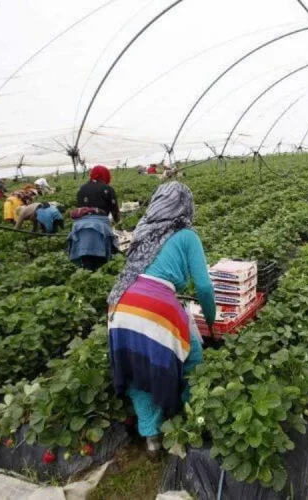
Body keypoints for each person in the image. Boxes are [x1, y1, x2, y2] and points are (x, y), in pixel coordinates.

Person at [107, 182, 215, 456]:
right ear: (186, 206)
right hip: (155, 304)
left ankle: (151, 437)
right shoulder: (186, 235)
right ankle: (193, 422)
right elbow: (203, 286)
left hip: (120, 304)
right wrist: (210, 323)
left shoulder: (144, 230)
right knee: (192, 358)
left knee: (136, 367)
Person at [67, 165, 120, 270]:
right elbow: (115, 211)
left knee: (86, 260)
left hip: (80, 226)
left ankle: (88, 276)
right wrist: (118, 222)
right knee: (101, 261)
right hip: (99, 227)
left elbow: (81, 207)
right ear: (105, 175)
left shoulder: (82, 188)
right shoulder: (107, 188)